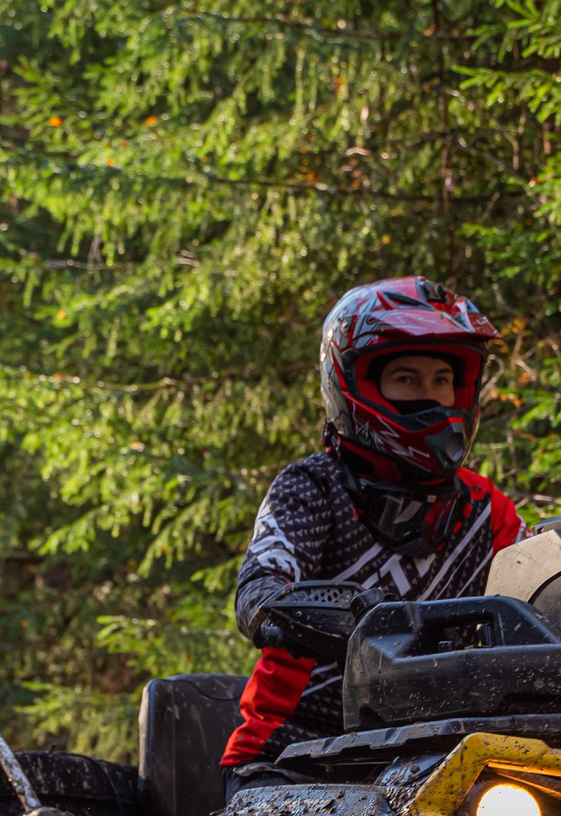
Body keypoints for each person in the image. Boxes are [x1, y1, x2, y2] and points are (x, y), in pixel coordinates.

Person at [221, 276, 523, 779]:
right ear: (356, 383)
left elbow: (547, 588)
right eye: (406, 379)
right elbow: (260, 589)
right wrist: (315, 610)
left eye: (442, 380)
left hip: (442, 757)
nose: (430, 397)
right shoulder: (311, 488)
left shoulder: (485, 508)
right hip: (296, 752)